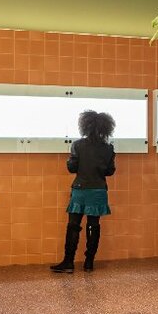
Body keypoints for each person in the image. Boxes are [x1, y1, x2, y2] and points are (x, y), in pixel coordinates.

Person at [51, 110, 116, 273]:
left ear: (85, 126)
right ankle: (89, 262)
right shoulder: (108, 148)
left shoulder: (77, 145)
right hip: (98, 191)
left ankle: (68, 262)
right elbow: (110, 171)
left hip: (80, 190)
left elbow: (72, 168)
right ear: (106, 128)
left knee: (73, 225)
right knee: (93, 225)